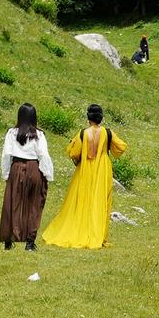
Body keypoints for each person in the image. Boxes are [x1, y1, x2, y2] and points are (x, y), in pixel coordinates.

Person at [39, 104, 127, 250]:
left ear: (88, 117)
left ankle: (79, 227)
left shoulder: (82, 133)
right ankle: (97, 233)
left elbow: (73, 152)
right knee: (99, 200)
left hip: (85, 168)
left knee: (81, 198)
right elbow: (121, 147)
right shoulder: (108, 132)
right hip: (102, 169)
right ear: (101, 117)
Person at [0, 103, 55, 251]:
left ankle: (9, 240)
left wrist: (6, 173)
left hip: (16, 168)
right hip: (34, 168)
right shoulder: (39, 134)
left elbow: (6, 155)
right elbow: (43, 154)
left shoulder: (12, 133)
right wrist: (47, 174)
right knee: (34, 204)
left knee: (12, 203)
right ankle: (30, 242)